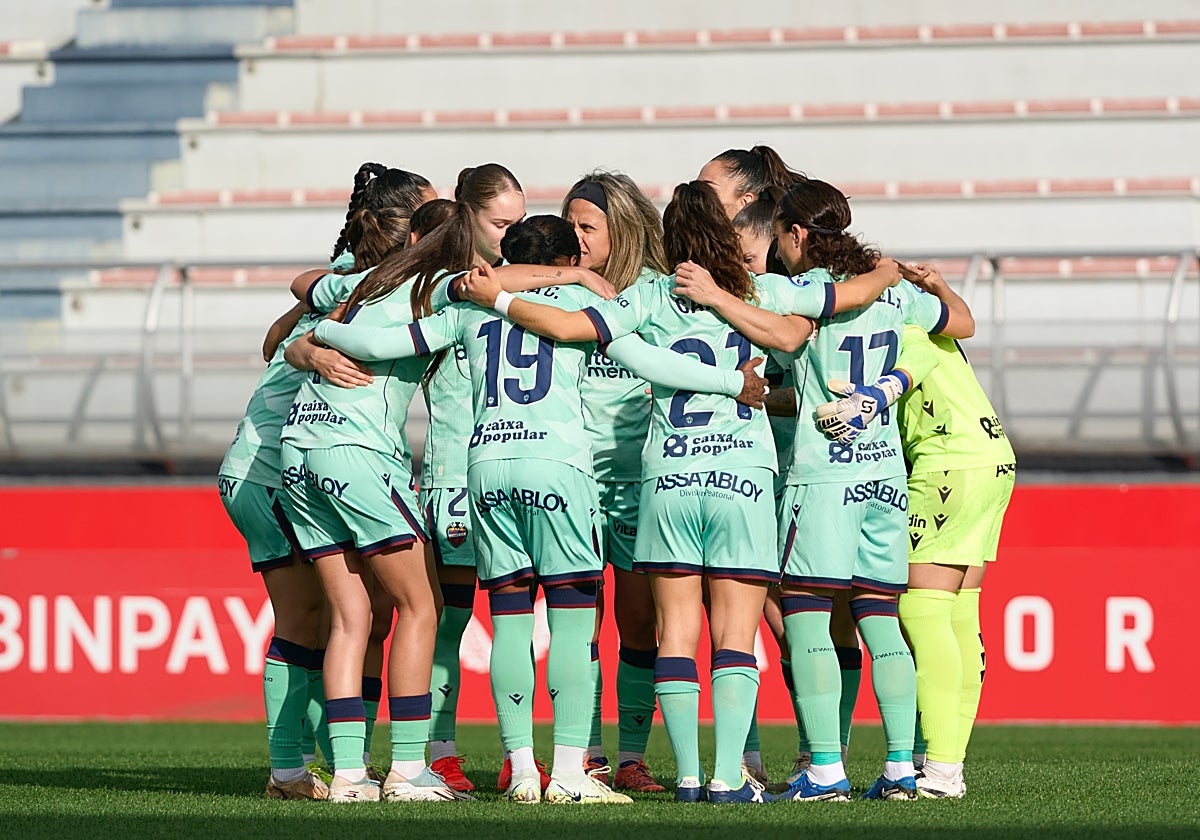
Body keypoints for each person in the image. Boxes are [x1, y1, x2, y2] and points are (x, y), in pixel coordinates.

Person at [454, 181, 898, 804]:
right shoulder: (760, 289)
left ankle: (682, 776)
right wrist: (888, 268)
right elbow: (806, 324)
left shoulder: (649, 295)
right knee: (734, 635)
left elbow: (574, 329)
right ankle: (730, 776)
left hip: (663, 476)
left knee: (669, 634)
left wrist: (498, 298)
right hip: (739, 474)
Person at [309, 213, 768, 805]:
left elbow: (379, 343)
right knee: (575, 625)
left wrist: (322, 336)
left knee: (510, 625)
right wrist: (732, 383)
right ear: (568, 256)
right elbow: (649, 362)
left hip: (487, 466)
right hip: (558, 467)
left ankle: (523, 770)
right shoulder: (578, 297)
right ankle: (572, 772)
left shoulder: (473, 302)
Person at [671, 177, 973, 803]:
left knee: (807, 618)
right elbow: (963, 323)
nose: (776, 250)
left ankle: (827, 771)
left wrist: (709, 290)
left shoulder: (800, 291)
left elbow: (759, 313)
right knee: (880, 619)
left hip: (824, 476)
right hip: (885, 475)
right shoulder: (895, 297)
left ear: (799, 234)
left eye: (780, 237)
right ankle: (897, 770)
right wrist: (924, 282)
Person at [217, 164, 433, 800]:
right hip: (283, 462)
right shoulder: (374, 279)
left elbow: (285, 318)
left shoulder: (356, 276)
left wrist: (300, 340)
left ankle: (308, 768)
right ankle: (336, 764)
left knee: (333, 615)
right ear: (402, 226)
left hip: (257, 463)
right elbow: (296, 304)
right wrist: (305, 345)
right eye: (428, 215)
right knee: (346, 614)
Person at [813, 269, 1014, 798]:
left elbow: (916, 357)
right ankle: (945, 761)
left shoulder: (895, 320)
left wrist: (872, 397)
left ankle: (942, 769)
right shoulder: (921, 307)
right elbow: (957, 326)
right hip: (990, 457)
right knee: (959, 615)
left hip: (946, 464)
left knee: (921, 612)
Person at [561, 171, 672, 792]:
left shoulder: (657, 294)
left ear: (622, 228)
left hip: (638, 480)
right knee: (578, 624)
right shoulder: (560, 292)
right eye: (571, 224)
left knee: (638, 625)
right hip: (573, 478)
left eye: (588, 226)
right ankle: (585, 753)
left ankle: (631, 756)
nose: (576, 238)